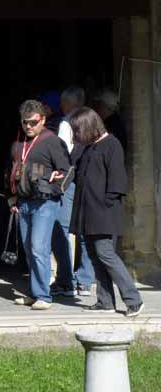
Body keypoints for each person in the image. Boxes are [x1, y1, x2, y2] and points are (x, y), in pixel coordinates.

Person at [69, 107, 143, 317]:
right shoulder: (87, 148)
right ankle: (105, 300)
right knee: (94, 256)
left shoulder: (112, 144)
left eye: (77, 130)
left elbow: (117, 182)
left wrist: (104, 204)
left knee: (106, 255)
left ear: (88, 127)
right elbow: (74, 166)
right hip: (87, 212)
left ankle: (133, 300)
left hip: (103, 213)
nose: (75, 135)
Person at [9, 99, 71, 311]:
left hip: (44, 203)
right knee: (29, 249)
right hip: (24, 202)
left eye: (33, 122)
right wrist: (12, 198)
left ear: (42, 119)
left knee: (38, 248)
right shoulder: (19, 143)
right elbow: (12, 172)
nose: (28, 126)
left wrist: (53, 189)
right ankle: (34, 293)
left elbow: (66, 172)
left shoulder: (52, 141)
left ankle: (44, 295)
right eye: (25, 122)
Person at [50, 86, 94, 298]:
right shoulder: (93, 121)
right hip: (91, 180)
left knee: (62, 228)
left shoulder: (66, 123)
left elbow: (63, 153)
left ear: (68, 103)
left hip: (70, 181)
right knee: (87, 229)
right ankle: (85, 280)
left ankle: (65, 279)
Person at [92, 89, 128, 153]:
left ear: (105, 106)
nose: (96, 107)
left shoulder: (110, 126)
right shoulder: (114, 122)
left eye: (99, 104)